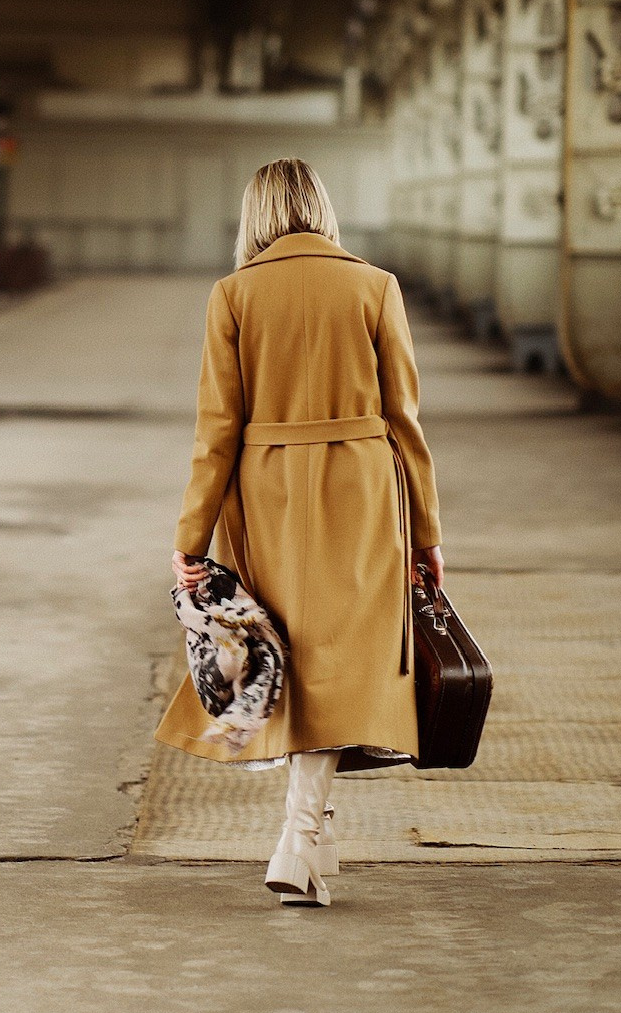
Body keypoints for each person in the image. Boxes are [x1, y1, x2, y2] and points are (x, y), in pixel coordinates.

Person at [157, 158, 443, 907]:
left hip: (267, 492)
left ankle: (310, 847)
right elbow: (405, 423)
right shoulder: (374, 286)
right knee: (339, 664)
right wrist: (425, 532)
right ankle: (299, 839)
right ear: (320, 207)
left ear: (254, 214)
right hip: (363, 491)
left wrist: (192, 536)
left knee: (301, 663)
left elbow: (214, 431)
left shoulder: (233, 295)